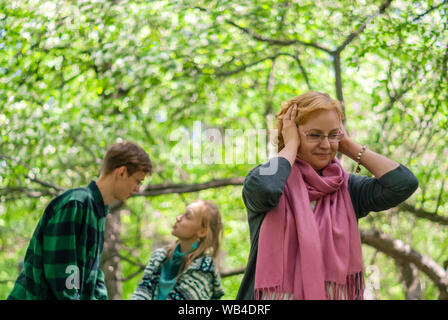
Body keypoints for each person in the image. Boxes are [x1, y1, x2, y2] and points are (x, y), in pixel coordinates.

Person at [236, 91, 419, 300]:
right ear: (292, 134)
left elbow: (404, 183)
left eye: (333, 135)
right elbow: (267, 191)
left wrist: (349, 146)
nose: (325, 144)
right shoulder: (266, 179)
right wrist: (290, 147)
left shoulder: (349, 188)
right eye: (314, 135)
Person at [8, 141, 152, 300]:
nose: (138, 189)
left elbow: (93, 277)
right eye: (138, 181)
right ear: (122, 172)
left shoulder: (97, 212)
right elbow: (61, 278)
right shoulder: (76, 203)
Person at [132, 200, 225, 300]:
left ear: (202, 231)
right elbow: (141, 293)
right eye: (183, 213)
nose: (178, 218)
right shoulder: (159, 257)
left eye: (188, 216)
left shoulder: (204, 268)